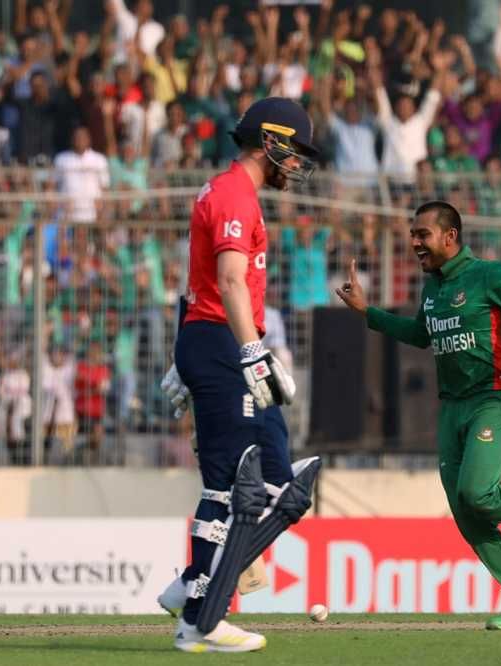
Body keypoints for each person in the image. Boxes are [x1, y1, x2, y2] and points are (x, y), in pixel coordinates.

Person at [335, 200, 501, 631]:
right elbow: (419, 335)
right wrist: (366, 313)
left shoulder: (491, 275)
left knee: (477, 492)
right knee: (466, 511)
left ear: (450, 236)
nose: (414, 242)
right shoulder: (433, 287)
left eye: (422, 234)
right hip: (452, 409)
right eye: (412, 234)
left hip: (493, 396)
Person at [157, 97, 322, 653]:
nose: (296, 163)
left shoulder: (229, 191)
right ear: (270, 141)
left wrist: (190, 349)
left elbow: (197, 281)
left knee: (279, 479)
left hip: (216, 339)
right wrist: (249, 353)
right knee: (229, 483)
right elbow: (227, 281)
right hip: (225, 342)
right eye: (293, 150)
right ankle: (201, 615)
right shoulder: (232, 194)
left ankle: (193, 589)